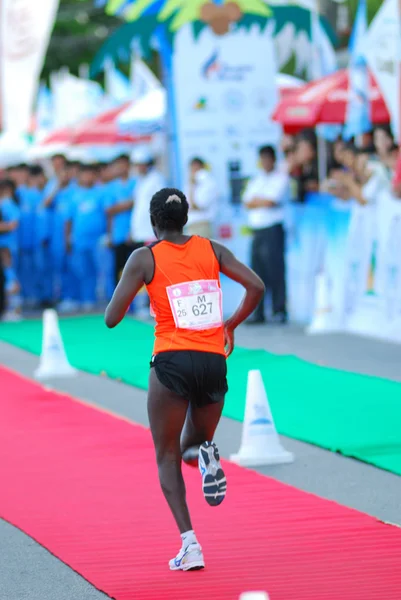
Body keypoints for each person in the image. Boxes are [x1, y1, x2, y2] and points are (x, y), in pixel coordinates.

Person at [105, 187, 264, 571]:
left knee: (168, 454)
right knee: (194, 444)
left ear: (153, 222)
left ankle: (190, 545)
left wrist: (140, 282)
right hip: (213, 360)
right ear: (186, 219)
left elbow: (111, 316)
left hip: (173, 361)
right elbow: (256, 286)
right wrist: (231, 323)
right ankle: (207, 453)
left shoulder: (145, 257)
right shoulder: (211, 250)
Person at [243, 145, 289, 324]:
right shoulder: (257, 179)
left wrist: (259, 201)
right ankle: (258, 313)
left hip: (272, 229)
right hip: (257, 230)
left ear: (273, 159)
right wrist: (259, 201)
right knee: (256, 272)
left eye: (267, 159)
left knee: (275, 271)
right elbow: (247, 201)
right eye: (262, 159)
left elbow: (271, 201)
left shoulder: (281, 178)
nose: (265, 162)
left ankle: (279, 310)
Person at [67, 164, 106, 311]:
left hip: (97, 240)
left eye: (91, 174)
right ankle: (85, 299)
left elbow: (108, 215)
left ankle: (100, 299)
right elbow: (68, 220)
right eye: (85, 174)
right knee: (82, 270)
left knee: (99, 269)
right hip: (79, 239)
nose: (88, 177)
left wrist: (107, 234)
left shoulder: (100, 193)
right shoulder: (74, 195)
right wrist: (68, 238)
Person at [105, 154, 137, 284]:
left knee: (136, 268)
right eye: (118, 165)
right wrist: (128, 204)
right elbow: (109, 210)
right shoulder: (111, 187)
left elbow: (139, 205)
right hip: (118, 234)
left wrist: (120, 206)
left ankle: (138, 301)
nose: (120, 168)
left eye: (123, 164)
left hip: (135, 233)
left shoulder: (136, 183)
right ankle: (121, 301)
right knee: (119, 269)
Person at [129, 148, 166, 249]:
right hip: (139, 233)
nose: (139, 167)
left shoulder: (157, 179)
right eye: (137, 165)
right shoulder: (140, 181)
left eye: (142, 164)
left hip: (151, 233)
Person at [186, 157, 218, 238]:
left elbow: (197, 205)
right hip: (192, 225)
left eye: (196, 168)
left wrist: (192, 186)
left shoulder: (207, 182)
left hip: (202, 224)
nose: (193, 171)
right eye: (192, 168)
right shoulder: (191, 183)